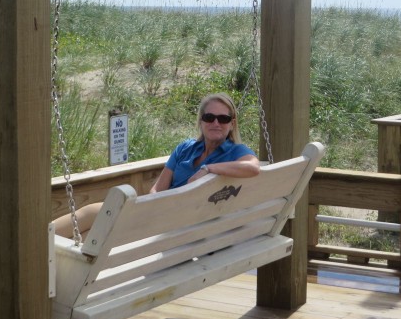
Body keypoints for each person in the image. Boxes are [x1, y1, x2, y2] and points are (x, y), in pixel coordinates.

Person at [54, 93, 260, 239]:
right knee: (90, 232)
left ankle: (36, 243)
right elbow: (158, 188)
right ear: (200, 121)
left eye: (223, 118)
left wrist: (209, 169)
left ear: (232, 124)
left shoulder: (235, 152)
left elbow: (253, 168)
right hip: (160, 212)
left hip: (181, 224)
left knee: (96, 213)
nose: (216, 123)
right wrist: (151, 206)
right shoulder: (185, 148)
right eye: (209, 117)